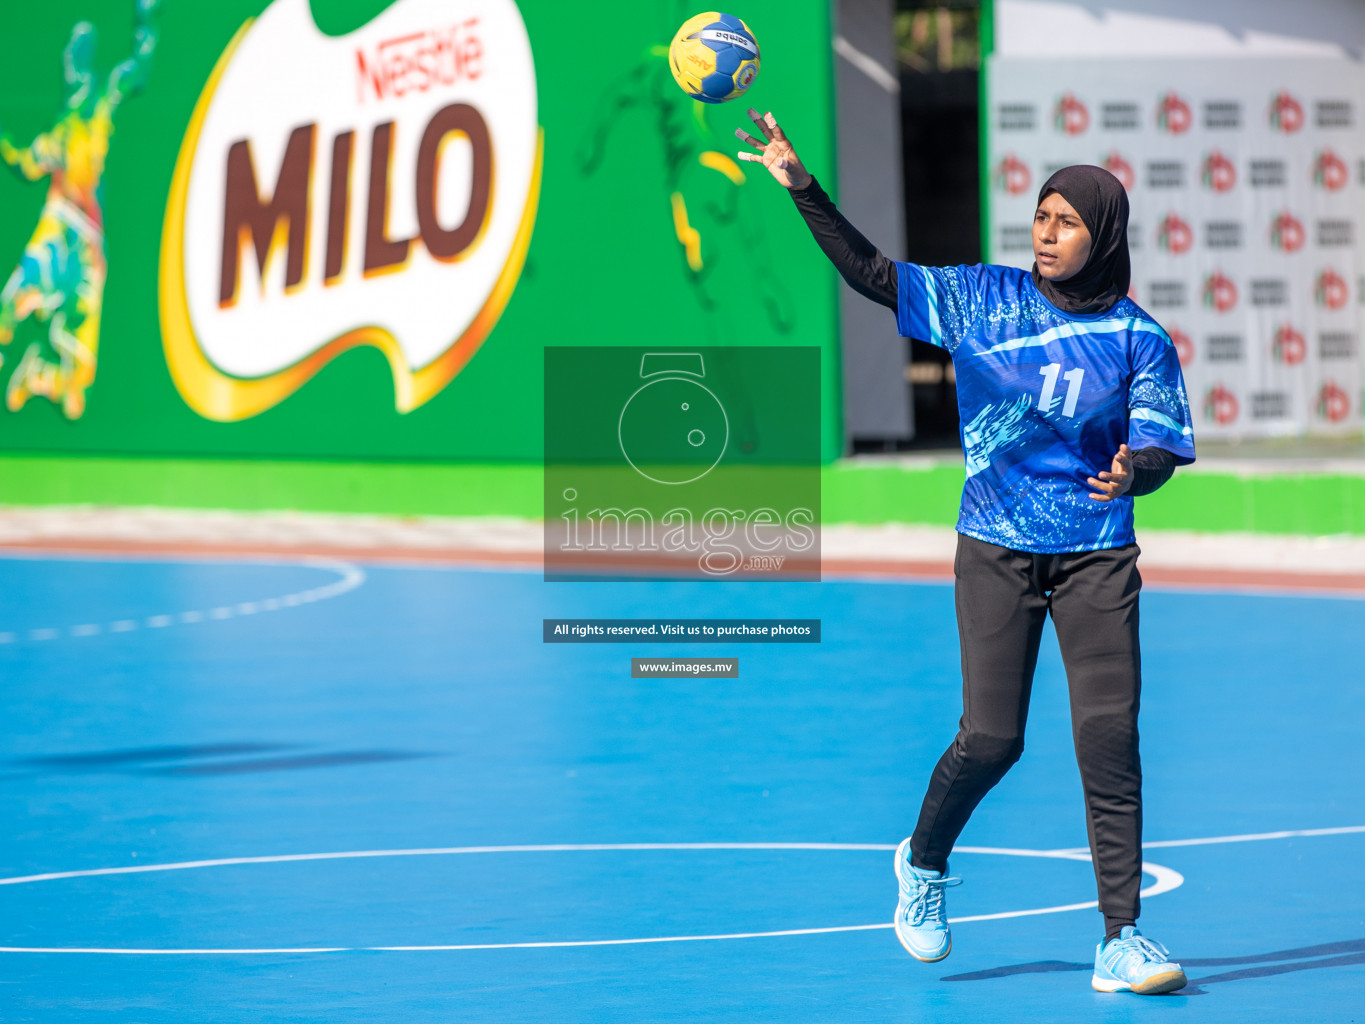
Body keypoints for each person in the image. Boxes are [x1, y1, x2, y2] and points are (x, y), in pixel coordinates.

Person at [736, 109, 1194, 996]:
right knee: (991, 739)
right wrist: (803, 188)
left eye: (1067, 222)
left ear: (1102, 236)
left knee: (1108, 738)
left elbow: (1161, 448)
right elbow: (873, 276)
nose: (1046, 234)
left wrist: (1134, 471)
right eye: (1041, 216)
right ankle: (923, 864)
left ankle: (1121, 938)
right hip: (994, 548)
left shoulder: (1139, 338)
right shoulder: (982, 298)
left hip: (1097, 555)